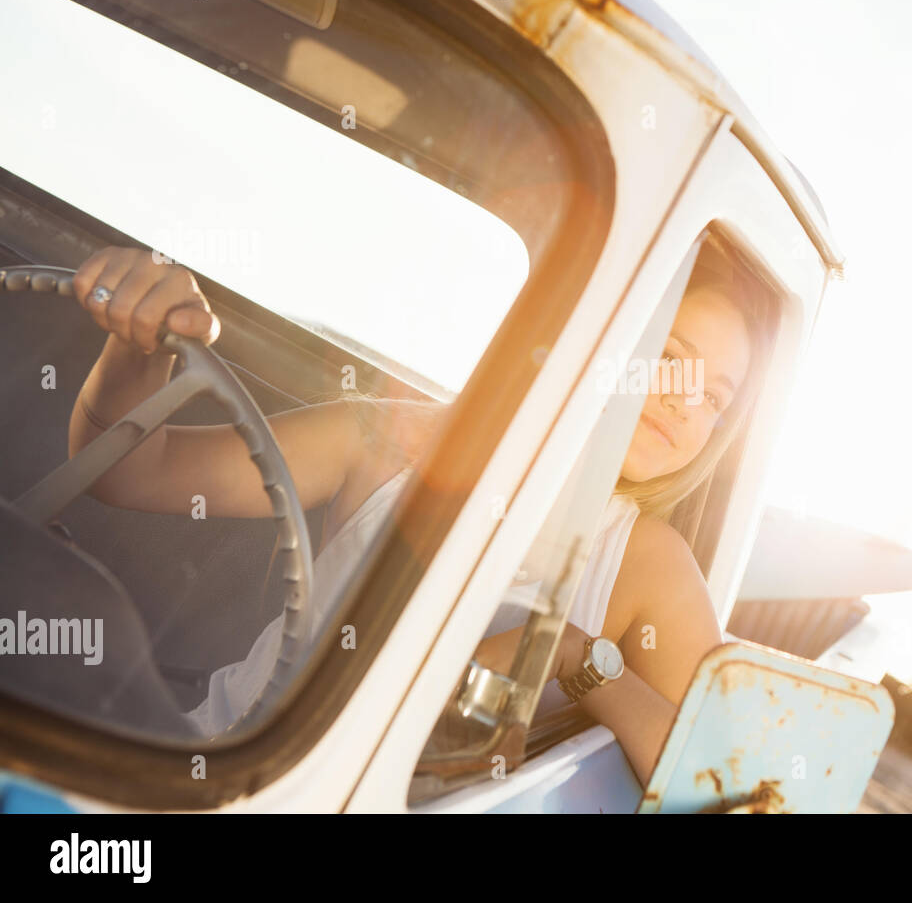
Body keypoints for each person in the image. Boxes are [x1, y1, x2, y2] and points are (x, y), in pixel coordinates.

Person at [67, 241, 772, 785]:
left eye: (716, 398)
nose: (687, 403)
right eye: (673, 360)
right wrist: (140, 339)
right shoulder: (394, 437)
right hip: (194, 773)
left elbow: (723, 787)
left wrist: (581, 658)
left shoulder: (648, 564)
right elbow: (131, 471)